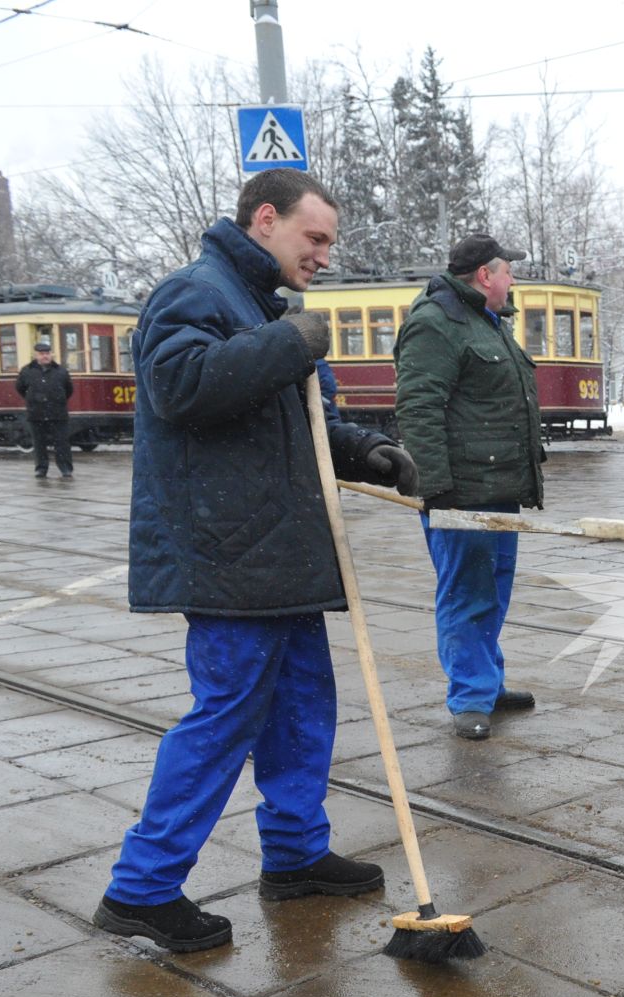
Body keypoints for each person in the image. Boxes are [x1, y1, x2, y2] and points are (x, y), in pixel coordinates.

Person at [95, 170, 420, 953]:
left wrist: (369, 451)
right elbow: (179, 387)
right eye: (315, 238)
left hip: (283, 556)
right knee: (225, 718)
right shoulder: (195, 293)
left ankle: (296, 852)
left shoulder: (265, 307)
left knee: (304, 709)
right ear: (265, 219)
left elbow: (306, 421)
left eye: (330, 243)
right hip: (230, 556)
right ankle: (142, 888)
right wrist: (288, 342)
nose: (324, 255)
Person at [395, 232, 545, 741]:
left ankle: (487, 683)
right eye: (509, 271)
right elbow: (419, 410)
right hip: (461, 495)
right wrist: (436, 490)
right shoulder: (437, 323)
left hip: (497, 488)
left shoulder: (486, 322)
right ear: (485, 275)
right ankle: (469, 697)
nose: (513, 279)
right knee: (466, 594)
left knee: (493, 592)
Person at [14, 335, 73, 478]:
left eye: (47, 353)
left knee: (62, 443)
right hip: (36, 413)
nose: (45, 356)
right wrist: (33, 399)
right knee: (39, 444)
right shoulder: (27, 371)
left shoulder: (61, 371)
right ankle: (41, 468)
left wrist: (57, 400)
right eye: (41, 354)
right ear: (36, 355)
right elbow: (20, 388)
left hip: (58, 413)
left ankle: (65, 468)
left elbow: (69, 389)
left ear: (51, 354)